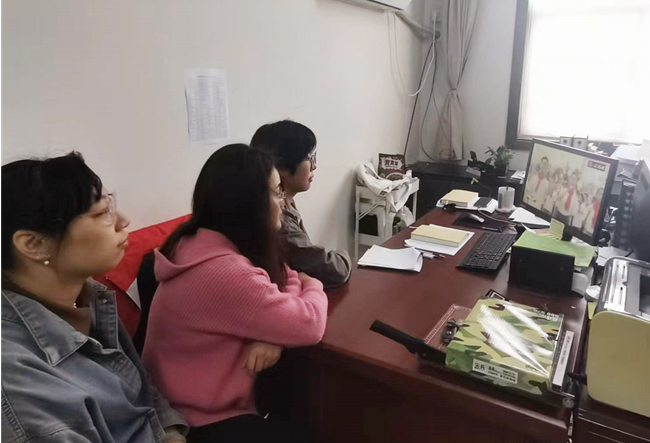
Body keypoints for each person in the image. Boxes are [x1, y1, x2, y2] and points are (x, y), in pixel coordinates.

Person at [142, 144, 328, 442]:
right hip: (197, 422)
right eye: (277, 192)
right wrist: (313, 284)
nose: (283, 202)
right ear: (249, 203)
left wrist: (275, 334)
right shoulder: (224, 273)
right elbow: (310, 323)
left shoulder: (197, 242)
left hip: (193, 402)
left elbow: (284, 276)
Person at [1, 153, 188, 443]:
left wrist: (171, 433)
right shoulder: (16, 376)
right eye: (102, 213)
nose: (123, 221)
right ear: (34, 244)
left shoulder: (88, 296)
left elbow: (144, 391)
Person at [251, 120, 351, 288]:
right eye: (308, 158)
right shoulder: (279, 221)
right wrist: (344, 254)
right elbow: (336, 270)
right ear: (282, 168)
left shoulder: (286, 202)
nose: (314, 166)